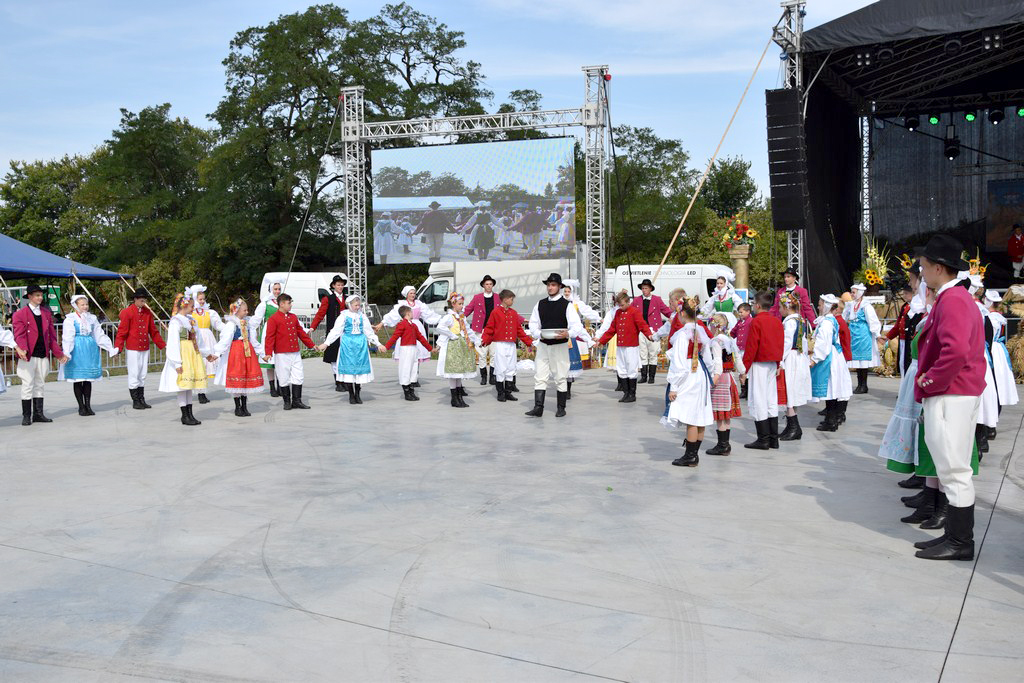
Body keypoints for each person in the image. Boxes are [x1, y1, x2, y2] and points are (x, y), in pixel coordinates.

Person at [913, 234, 986, 560]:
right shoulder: (954, 297)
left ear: (939, 268)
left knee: (954, 470)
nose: (921, 270)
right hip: (955, 392)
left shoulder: (953, 300)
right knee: (950, 468)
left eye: (924, 265)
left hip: (950, 393)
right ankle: (954, 535)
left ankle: (960, 542)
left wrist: (929, 382)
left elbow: (953, 351)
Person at [663, 297, 714, 467]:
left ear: (683, 313)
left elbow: (678, 363)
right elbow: (708, 356)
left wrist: (674, 386)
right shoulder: (700, 331)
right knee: (699, 414)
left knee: (691, 416)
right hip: (700, 372)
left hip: (688, 374)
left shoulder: (682, 335)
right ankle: (694, 454)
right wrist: (711, 375)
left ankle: (690, 456)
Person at [525, 273, 584, 418]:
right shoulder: (540, 304)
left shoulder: (567, 305)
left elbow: (577, 325)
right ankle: (538, 407)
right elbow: (533, 323)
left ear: (559, 287)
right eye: (548, 285)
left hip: (560, 345)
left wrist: (568, 333)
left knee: (560, 376)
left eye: (553, 285)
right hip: (544, 344)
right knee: (540, 376)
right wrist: (539, 334)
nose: (550, 287)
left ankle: (561, 407)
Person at [12, 285, 68, 425]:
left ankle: (38, 414)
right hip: (28, 355)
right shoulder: (20, 314)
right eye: (37, 295)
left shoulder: (46, 313)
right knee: (27, 384)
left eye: (40, 295)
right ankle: (26, 415)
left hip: (42, 354)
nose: (40, 298)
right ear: (29, 297)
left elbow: (51, 337)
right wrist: (23, 348)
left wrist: (58, 354)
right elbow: (19, 335)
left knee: (40, 383)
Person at [158, 291, 215, 426]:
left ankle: (190, 414)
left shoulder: (191, 320)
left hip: (192, 353)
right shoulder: (176, 321)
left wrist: (207, 354)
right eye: (191, 306)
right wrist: (177, 362)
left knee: (190, 386)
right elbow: (172, 342)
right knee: (183, 386)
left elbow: (199, 340)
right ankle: (184, 415)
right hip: (183, 354)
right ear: (184, 306)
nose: (193, 308)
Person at [317, 295, 384, 405]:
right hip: (347, 345)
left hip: (360, 345)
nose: (358, 307)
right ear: (349, 305)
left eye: (358, 305)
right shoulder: (343, 316)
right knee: (349, 371)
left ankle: (357, 394)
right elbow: (336, 331)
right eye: (355, 305)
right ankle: (351, 395)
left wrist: (378, 344)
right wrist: (326, 343)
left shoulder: (362, 316)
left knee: (359, 371)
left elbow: (368, 332)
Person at [60, 295, 119, 416]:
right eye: (82, 304)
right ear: (76, 305)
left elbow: (99, 334)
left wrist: (110, 348)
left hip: (89, 349)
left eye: (86, 304)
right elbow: (67, 337)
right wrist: (67, 352)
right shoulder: (70, 319)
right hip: (76, 350)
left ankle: (88, 405)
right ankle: (81, 406)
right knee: (78, 379)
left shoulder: (92, 318)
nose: (85, 307)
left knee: (88, 379)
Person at [741, 291, 785, 450]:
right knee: (771, 399)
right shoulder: (777, 321)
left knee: (759, 399)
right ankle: (774, 439)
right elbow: (781, 344)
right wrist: (779, 363)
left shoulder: (756, 322)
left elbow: (752, 347)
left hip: (759, 363)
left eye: (753, 304)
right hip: (773, 363)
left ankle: (763, 439)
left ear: (757, 305)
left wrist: (744, 369)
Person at [598, 290, 654, 403]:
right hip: (621, 345)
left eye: (623, 305)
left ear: (628, 302)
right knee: (621, 369)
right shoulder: (618, 313)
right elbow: (612, 329)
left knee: (631, 369)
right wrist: (602, 341)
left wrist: (649, 335)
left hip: (631, 346)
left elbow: (642, 325)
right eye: (619, 305)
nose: (621, 307)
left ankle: (632, 394)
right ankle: (626, 393)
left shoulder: (634, 312)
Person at [262, 293, 316, 410]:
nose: (291, 305)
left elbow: (301, 333)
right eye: (289, 303)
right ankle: (287, 401)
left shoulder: (293, 317)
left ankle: (297, 400)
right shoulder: (273, 319)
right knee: (283, 377)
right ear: (281, 304)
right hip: (282, 353)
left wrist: (312, 345)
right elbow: (269, 337)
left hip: (295, 352)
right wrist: (268, 353)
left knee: (298, 375)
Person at [211, 298, 264, 417]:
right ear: (237, 311)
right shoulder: (232, 324)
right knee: (237, 378)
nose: (246, 312)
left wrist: (262, 353)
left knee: (245, 377)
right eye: (244, 310)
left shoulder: (247, 324)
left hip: (247, 353)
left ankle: (244, 406)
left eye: (247, 310)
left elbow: (253, 340)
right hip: (236, 353)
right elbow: (225, 340)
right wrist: (217, 353)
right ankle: (237, 407)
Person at [114, 287, 165, 410]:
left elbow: (153, 331)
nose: (144, 303)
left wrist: (163, 345)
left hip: (144, 347)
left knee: (142, 374)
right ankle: (135, 400)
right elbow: (122, 332)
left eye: (145, 300)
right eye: (142, 300)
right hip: (133, 348)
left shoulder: (147, 313)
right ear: (135, 299)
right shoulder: (127, 312)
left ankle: (142, 399)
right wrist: (118, 347)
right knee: (134, 373)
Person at [378, 286, 441, 384]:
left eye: (414, 293)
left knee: (417, 354)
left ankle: (415, 377)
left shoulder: (420, 304)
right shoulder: (401, 305)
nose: (413, 295)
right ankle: (407, 378)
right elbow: (392, 316)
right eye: (411, 293)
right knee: (407, 355)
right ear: (406, 294)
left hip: (417, 327)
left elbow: (429, 315)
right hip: (406, 328)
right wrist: (382, 323)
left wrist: (442, 320)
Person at [480, 290, 534, 402]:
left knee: (511, 367)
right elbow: (489, 328)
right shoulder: (495, 312)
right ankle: (500, 393)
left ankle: (508, 392)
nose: (512, 301)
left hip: (511, 344)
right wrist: (484, 340)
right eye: (511, 299)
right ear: (505, 299)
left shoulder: (513, 313)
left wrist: (528, 342)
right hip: (500, 344)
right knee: (500, 367)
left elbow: (519, 330)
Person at [810, 295, 853, 431]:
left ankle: (831, 421)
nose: (818, 307)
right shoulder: (830, 320)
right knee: (832, 389)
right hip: (835, 355)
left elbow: (823, 345)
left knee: (830, 389)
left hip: (829, 357)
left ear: (827, 306)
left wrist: (814, 359)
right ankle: (831, 419)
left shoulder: (827, 323)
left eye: (820, 304)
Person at [705, 313, 744, 455]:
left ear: (714, 325)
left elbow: (717, 363)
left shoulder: (716, 341)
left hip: (720, 378)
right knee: (726, 414)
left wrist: (712, 381)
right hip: (729, 378)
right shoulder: (729, 339)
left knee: (721, 414)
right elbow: (738, 358)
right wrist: (742, 372)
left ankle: (722, 445)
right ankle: (725, 444)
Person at [433, 292, 480, 407]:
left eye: (462, 304)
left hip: (461, 346)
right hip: (453, 346)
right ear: (453, 304)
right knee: (453, 371)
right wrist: (451, 335)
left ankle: (459, 396)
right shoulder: (449, 317)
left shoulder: (461, 317)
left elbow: (467, 330)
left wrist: (476, 340)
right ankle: (454, 398)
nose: (462, 306)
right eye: (460, 304)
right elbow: (440, 327)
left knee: (459, 372)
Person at [777, 293, 812, 441]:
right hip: (799, 357)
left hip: (791, 358)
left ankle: (794, 427)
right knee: (793, 392)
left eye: (780, 307)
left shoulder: (790, 322)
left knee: (790, 391)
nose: (779, 310)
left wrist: (779, 359)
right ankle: (792, 426)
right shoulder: (800, 319)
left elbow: (786, 342)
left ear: (786, 307)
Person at [383, 305, 433, 401]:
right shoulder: (402, 324)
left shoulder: (413, 325)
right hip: (406, 349)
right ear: (408, 313)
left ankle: (411, 390)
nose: (413, 313)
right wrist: (387, 347)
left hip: (414, 349)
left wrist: (430, 348)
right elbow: (395, 336)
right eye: (411, 312)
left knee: (413, 369)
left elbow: (421, 337)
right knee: (405, 369)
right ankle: (407, 393)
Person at [562, 279, 600, 399]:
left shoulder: (576, 303)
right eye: (565, 291)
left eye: (568, 291)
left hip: (571, 336)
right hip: (559, 336)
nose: (567, 293)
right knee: (561, 365)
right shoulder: (559, 303)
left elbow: (587, 313)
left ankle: (567, 390)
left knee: (570, 366)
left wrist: (598, 319)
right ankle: (563, 388)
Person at [310, 274, 348, 392]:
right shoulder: (328, 299)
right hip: (333, 331)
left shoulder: (348, 299)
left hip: (346, 332)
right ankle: (338, 382)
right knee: (334, 357)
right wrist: (312, 327)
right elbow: (320, 314)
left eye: (342, 285)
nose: (340, 287)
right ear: (333, 286)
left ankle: (345, 380)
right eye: (338, 285)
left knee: (345, 356)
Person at [631, 279, 673, 385]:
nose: (644, 290)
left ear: (650, 289)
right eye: (643, 288)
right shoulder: (636, 300)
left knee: (653, 353)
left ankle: (652, 377)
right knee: (643, 353)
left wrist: (676, 316)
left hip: (653, 329)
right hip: (641, 330)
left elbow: (666, 311)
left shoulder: (657, 300)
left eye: (646, 288)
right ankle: (644, 376)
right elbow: (630, 311)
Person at [188, 284, 224, 404]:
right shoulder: (190, 313)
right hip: (196, 339)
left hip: (208, 339)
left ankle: (203, 392)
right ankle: (200, 392)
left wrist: (229, 327)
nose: (202, 301)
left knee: (206, 366)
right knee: (199, 365)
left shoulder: (209, 312)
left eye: (203, 299)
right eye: (200, 299)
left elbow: (218, 325)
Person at [984, 290, 1019, 411]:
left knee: (994, 379)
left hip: (992, 348)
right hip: (997, 349)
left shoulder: (992, 318)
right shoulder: (998, 316)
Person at [843, 283, 881, 394]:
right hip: (854, 334)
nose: (852, 294)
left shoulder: (866, 306)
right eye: (851, 292)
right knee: (857, 361)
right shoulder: (850, 305)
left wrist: (877, 334)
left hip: (863, 335)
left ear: (859, 293)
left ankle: (863, 385)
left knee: (863, 361)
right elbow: (845, 317)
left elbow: (873, 321)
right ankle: (859, 384)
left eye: (854, 292)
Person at [465, 275, 499, 386]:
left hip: (494, 329)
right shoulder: (477, 297)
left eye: (490, 284)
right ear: (483, 286)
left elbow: (506, 311)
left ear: (492, 285)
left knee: (494, 354)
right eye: (486, 284)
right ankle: (484, 377)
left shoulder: (498, 297)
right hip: (481, 329)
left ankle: (493, 377)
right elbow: (468, 310)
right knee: (482, 354)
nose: (488, 286)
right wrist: (458, 317)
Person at [253, 279, 284, 397]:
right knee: (270, 361)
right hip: (269, 332)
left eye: (279, 289)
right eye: (275, 289)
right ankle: (272, 387)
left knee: (280, 361)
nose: (277, 291)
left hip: (281, 332)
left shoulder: (283, 302)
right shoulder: (265, 303)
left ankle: (281, 386)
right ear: (271, 289)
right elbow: (256, 320)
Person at [882, 284, 914, 377]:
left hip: (909, 338)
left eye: (906, 293)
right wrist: (888, 337)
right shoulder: (905, 306)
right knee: (902, 363)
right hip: (903, 339)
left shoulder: (916, 307)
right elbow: (898, 325)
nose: (904, 296)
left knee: (908, 363)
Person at [731, 302, 753, 398]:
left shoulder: (751, 321)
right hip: (739, 348)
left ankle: (748, 390)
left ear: (748, 312)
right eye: (739, 312)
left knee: (747, 370)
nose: (739, 314)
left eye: (741, 312)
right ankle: (743, 389)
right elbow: (733, 332)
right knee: (741, 369)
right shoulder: (739, 322)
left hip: (747, 349)